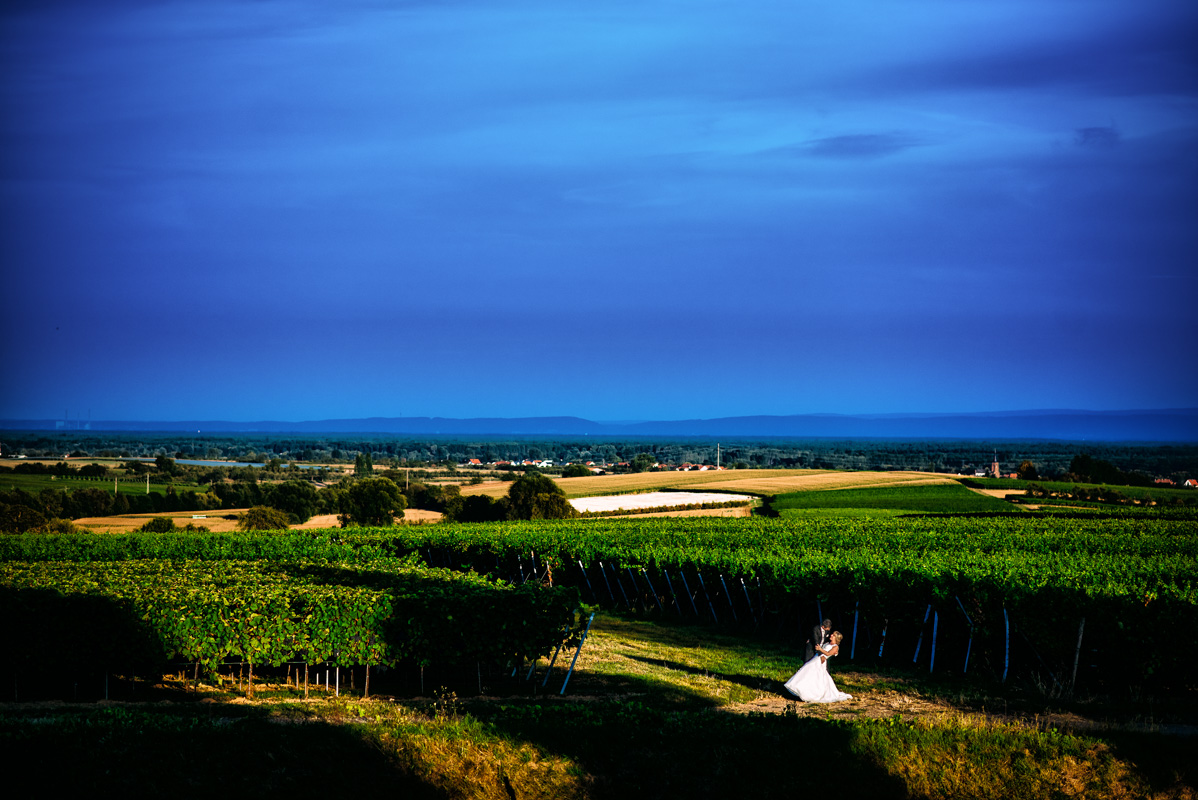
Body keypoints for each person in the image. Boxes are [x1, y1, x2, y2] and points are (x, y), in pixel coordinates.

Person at [784, 631, 853, 703]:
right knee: (807, 672)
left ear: (836, 638)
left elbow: (828, 653)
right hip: (816, 658)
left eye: (833, 635)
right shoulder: (827, 643)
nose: (831, 635)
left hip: (821, 661)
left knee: (815, 675)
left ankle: (811, 693)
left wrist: (820, 649)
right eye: (832, 634)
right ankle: (798, 688)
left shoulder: (835, 647)